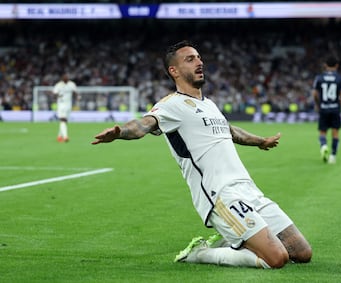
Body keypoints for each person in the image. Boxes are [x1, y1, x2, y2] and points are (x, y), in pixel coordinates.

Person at [91, 40, 312, 269]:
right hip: (220, 196)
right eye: (190, 59)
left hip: (248, 189)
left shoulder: (209, 104)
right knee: (276, 259)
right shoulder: (171, 105)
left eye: (198, 57)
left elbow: (230, 131)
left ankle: (237, 238)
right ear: (173, 71)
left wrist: (260, 141)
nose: (199, 62)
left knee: (301, 252)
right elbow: (143, 125)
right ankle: (202, 253)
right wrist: (119, 133)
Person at [312, 56, 341, 164]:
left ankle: (323, 146)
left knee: (322, 132)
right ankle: (333, 155)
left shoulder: (319, 77)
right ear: (337, 65)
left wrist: (318, 104)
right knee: (335, 132)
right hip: (335, 109)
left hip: (323, 108)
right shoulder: (339, 78)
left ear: (325, 65)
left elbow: (314, 93)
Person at [53, 73, 78, 142]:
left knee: (64, 121)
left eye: (67, 77)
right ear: (62, 78)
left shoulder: (71, 84)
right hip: (61, 104)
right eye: (65, 77)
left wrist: (78, 97)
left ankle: (59, 136)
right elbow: (54, 93)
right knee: (62, 120)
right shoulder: (58, 85)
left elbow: (75, 92)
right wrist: (58, 95)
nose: (66, 78)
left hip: (68, 105)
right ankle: (65, 136)